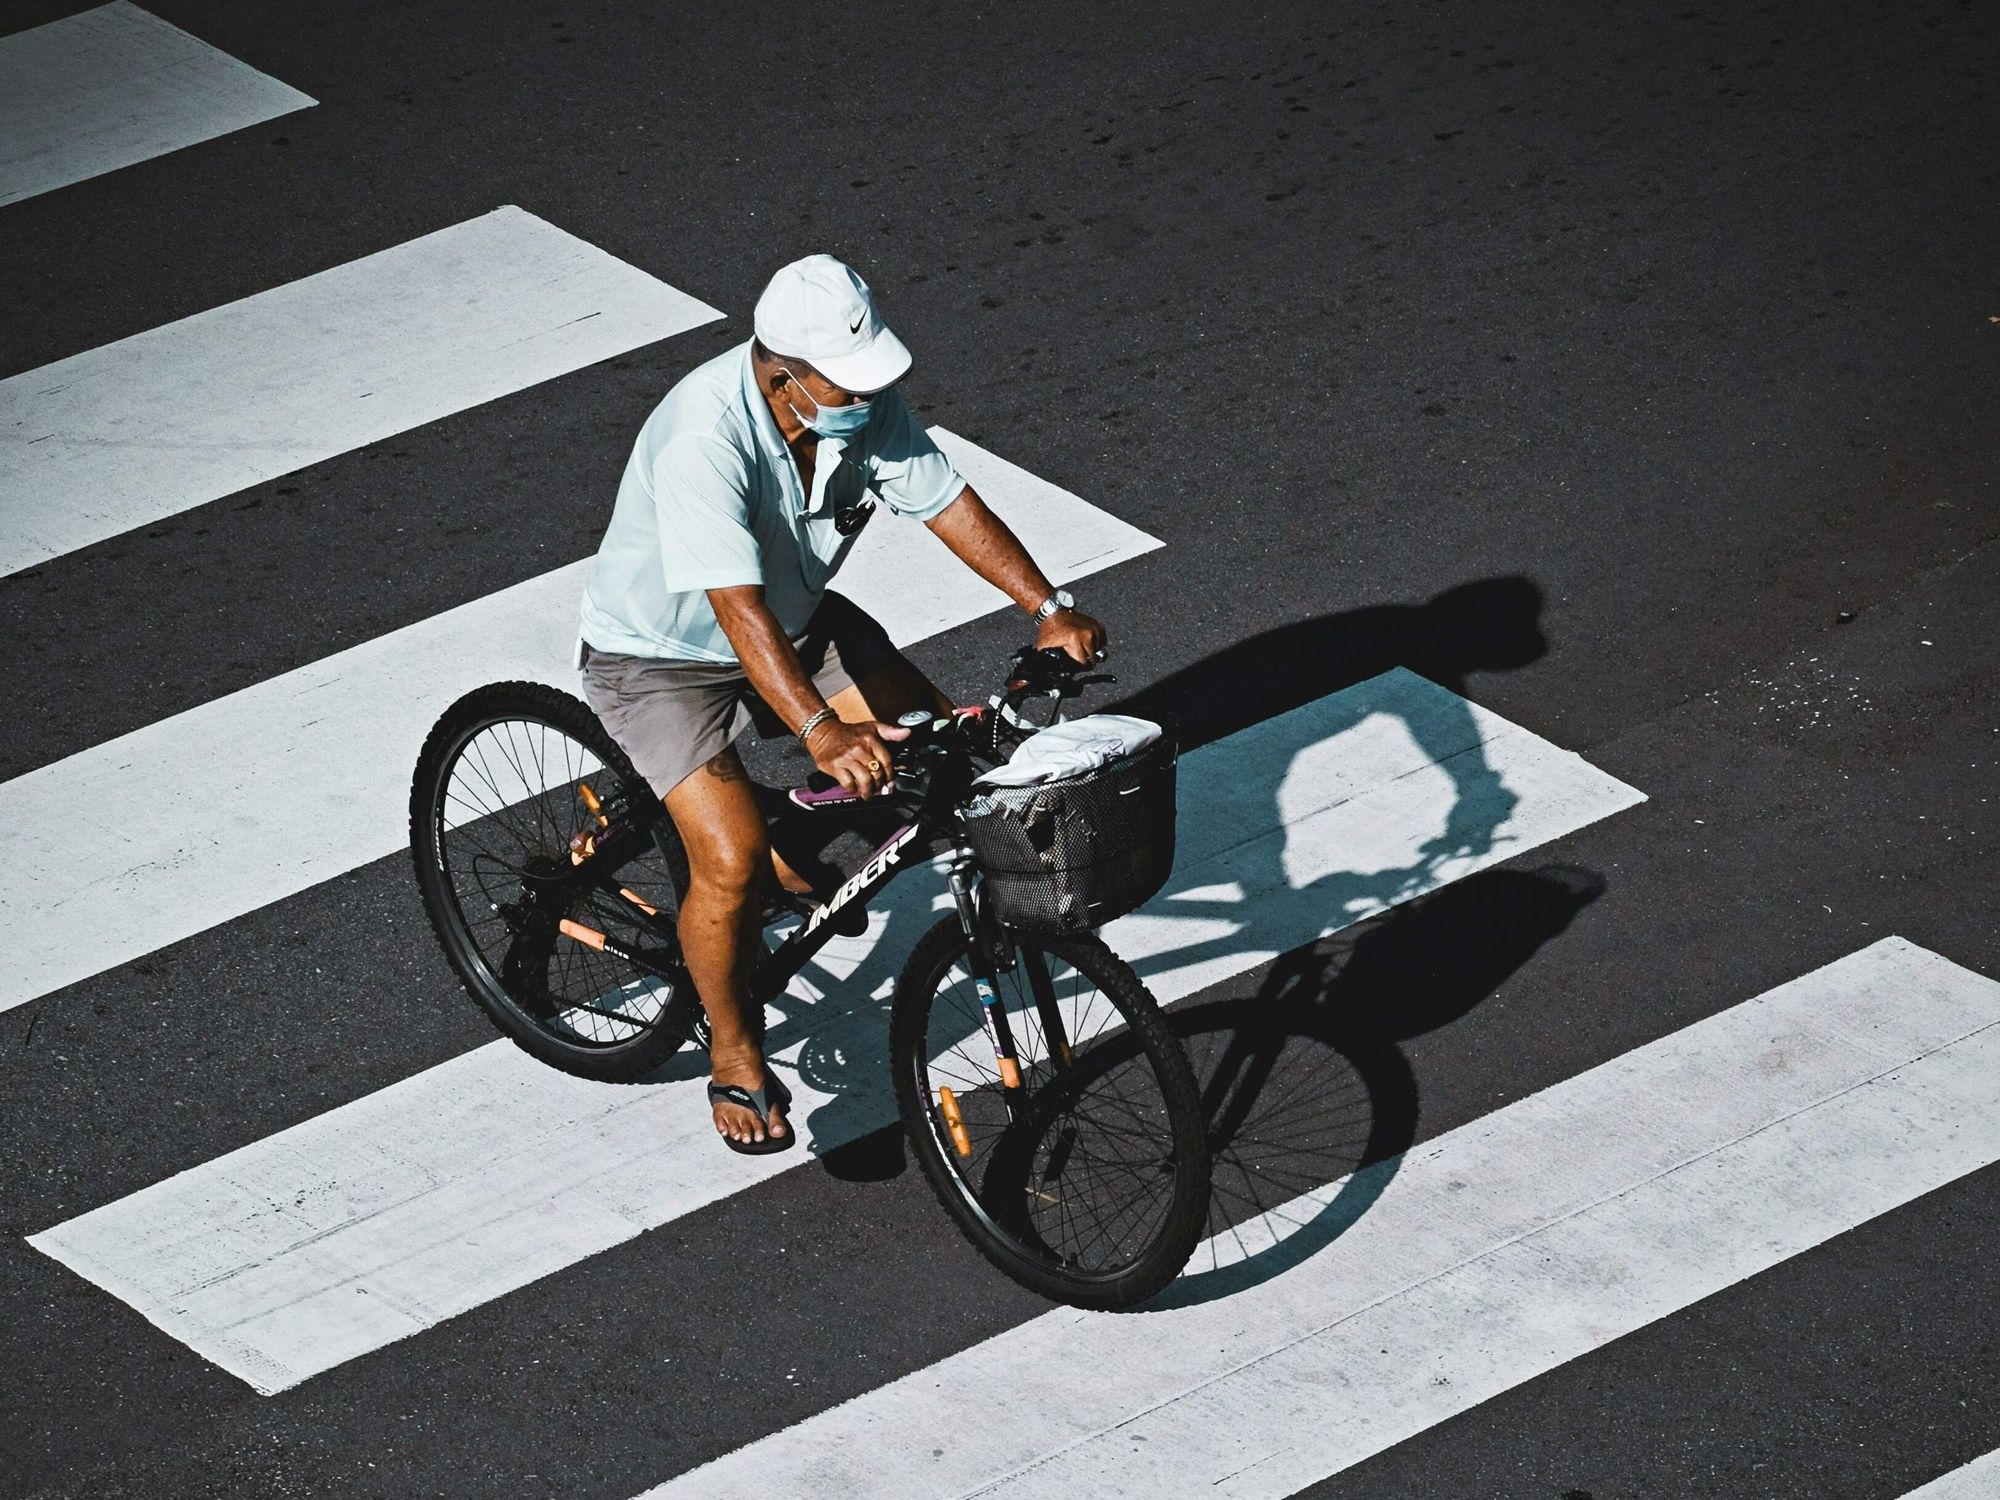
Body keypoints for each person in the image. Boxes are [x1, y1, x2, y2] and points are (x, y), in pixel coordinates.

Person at [575, 254, 1107, 1154]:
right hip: (664, 657)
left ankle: (800, 832)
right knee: (734, 863)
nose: (869, 396)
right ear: (782, 371)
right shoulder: (706, 437)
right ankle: (735, 1054)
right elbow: (733, 612)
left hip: (793, 618)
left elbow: (946, 502)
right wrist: (821, 730)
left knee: (939, 751)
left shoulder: (851, 404)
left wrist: (1048, 608)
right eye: (847, 382)